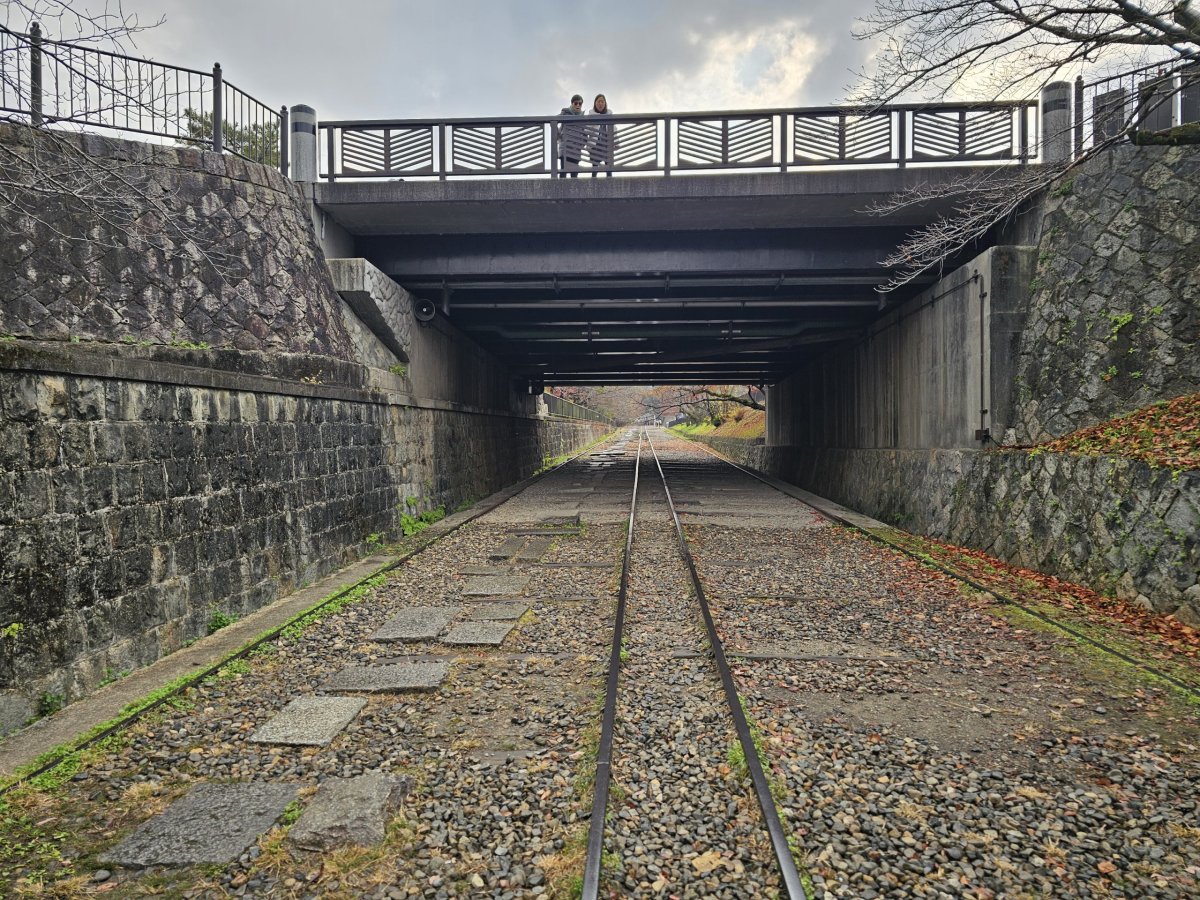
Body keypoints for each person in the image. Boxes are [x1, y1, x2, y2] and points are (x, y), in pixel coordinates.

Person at [557, 94, 586, 178]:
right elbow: (553, 122)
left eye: (580, 104)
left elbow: (585, 135)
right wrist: (560, 139)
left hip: (576, 151)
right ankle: (561, 191)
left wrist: (581, 145)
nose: (578, 105)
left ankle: (574, 192)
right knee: (563, 175)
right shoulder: (565, 113)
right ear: (572, 104)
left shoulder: (583, 118)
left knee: (574, 177)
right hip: (565, 149)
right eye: (576, 103)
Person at [587, 94, 615, 177]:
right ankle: (592, 188)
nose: (600, 103)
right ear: (595, 103)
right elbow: (587, 130)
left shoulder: (609, 114)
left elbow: (614, 129)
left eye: (602, 101)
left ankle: (610, 187)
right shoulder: (591, 115)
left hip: (606, 144)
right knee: (594, 170)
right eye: (598, 101)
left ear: (605, 103)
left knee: (609, 170)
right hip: (595, 145)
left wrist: (616, 141)